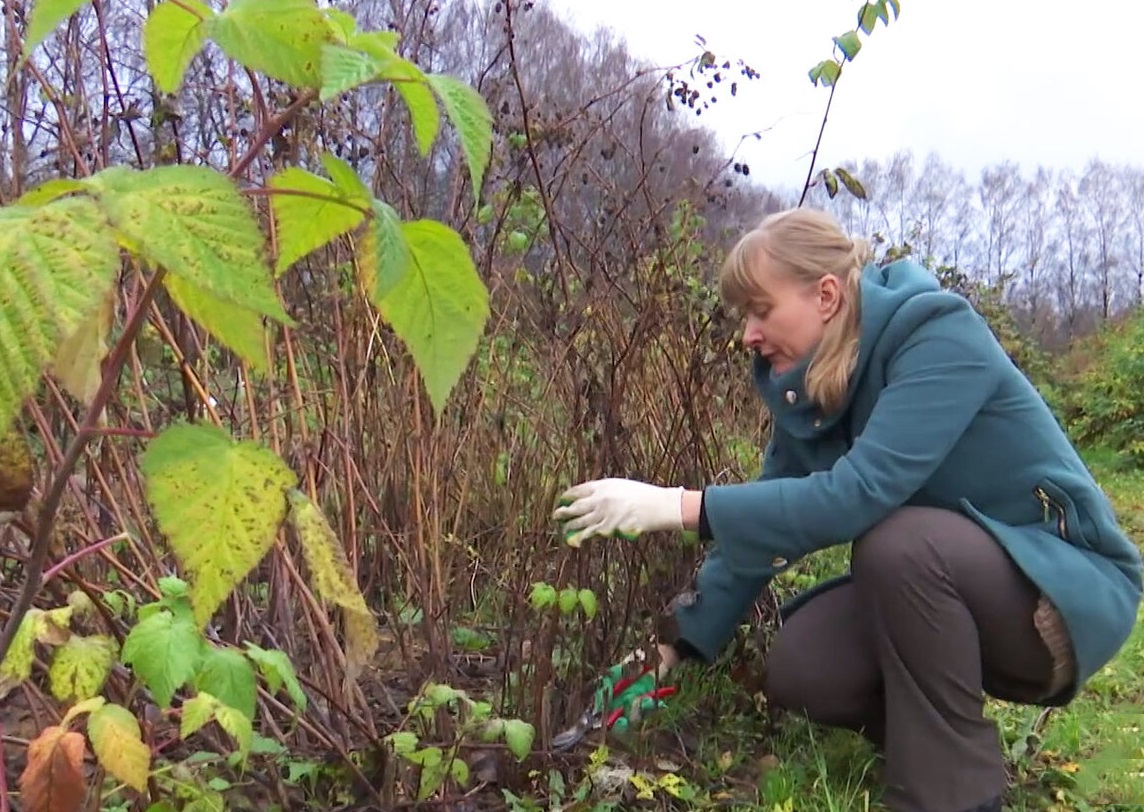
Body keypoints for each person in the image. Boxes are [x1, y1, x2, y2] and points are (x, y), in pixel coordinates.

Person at [552, 207, 1143, 812]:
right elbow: (766, 526)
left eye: (761, 310)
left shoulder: (938, 335)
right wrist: (671, 646)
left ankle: (949, 794)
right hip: (954, 582)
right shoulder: (811, 386)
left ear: (826, 295)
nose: (748, 334)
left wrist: (673, 505)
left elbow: (858, 494)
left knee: (897, 543)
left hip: (1060, 595)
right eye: (744, 317)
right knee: (803, 664)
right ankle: (931, 735)